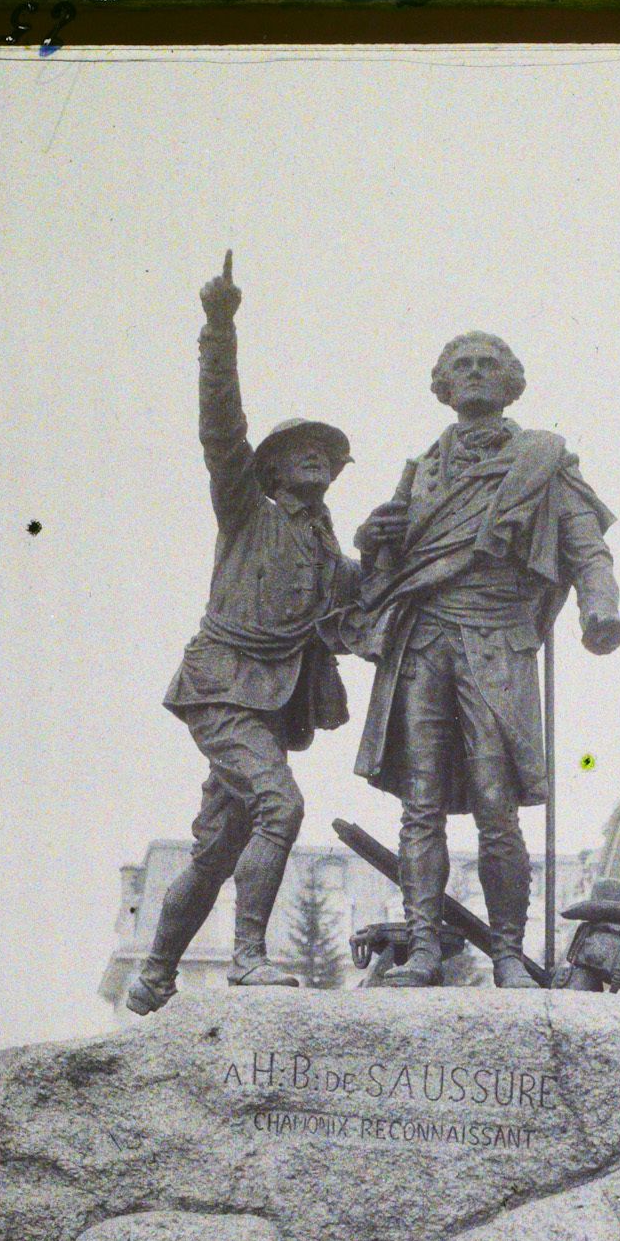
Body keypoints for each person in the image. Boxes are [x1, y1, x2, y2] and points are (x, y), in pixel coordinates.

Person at [350, 332, 620, 989]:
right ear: (442, 385)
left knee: (494, 801)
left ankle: (507, 949)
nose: (475, 375)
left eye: (488, 365)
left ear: (511, 382)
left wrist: (600, 610)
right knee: (418, 803)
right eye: (461, 367)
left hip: (499, 640)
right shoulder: (417, 470)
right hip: (422, 642)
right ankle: (423, 948)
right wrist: (372, 544)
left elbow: (587, 548)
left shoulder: (542, 460)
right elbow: (387, 576)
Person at [125, 253, 359, 1014]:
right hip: (221, 686)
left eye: (326, 451)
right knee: (280, 810)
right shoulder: (246, 512)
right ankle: (249, 959)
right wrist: (218, 329)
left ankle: (155, 972)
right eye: (301, 450)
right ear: (271, 469)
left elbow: (370, 610)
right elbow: (221, 426)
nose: (316, 456)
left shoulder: (331, 554)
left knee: (220, 847)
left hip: (267, 705)